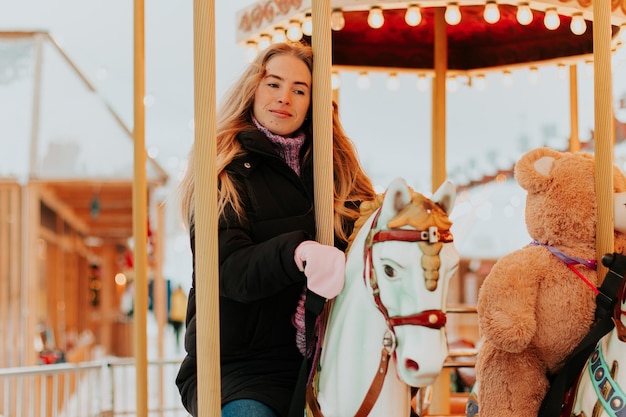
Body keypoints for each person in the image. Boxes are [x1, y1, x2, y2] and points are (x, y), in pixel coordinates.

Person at [175, 41, 375, 417]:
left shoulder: (336, 174)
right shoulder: (223, 173)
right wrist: (296, 252)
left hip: (323, 362)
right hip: (240, 367)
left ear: (312, 102)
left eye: (299, 90)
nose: (285, 97)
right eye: (274, 84)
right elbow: (227, 270)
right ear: (253, 88)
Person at [168, 285, 188, 350]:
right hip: (177, 316)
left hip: (177, 316)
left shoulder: (176, 295)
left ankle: (177, 343)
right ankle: (177, 344)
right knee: (177, 331)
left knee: (177, 331)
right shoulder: (181, 296)